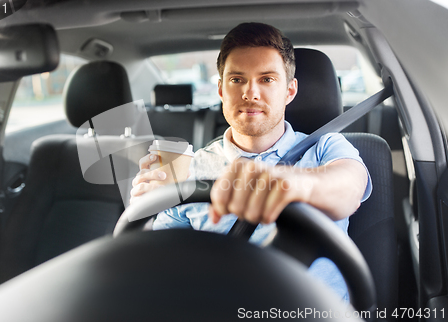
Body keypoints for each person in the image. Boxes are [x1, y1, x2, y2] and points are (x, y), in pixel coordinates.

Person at [130, 22, 371, 302]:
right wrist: (145, 211)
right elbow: (161, 269)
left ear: (290, 91)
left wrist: (290, 184)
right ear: (221, 90)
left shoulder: (326, 147)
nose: (250, 93)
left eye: (267, 79)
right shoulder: (189, 167)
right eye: (237, 79)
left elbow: (350, 190)